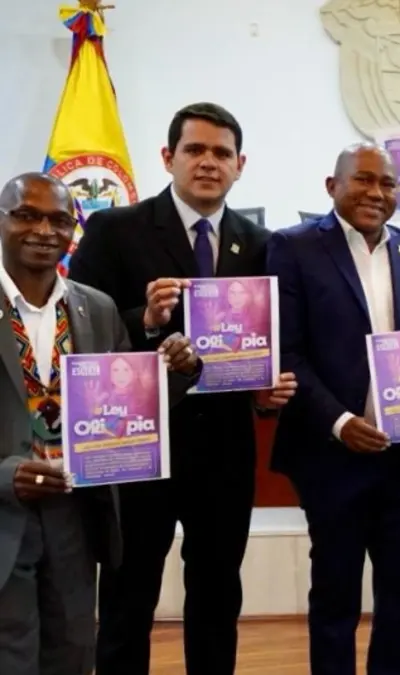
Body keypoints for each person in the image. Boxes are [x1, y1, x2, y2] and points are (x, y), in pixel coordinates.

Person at [67, 102, 297, 675]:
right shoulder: (115, 229)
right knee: (128, 596)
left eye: (222, 152)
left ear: (240, 165)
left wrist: (263, 390)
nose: (208, 162)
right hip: (137, 445)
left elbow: (264, 344)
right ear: (169, 157)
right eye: (195, 150)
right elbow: (78, 327)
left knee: (217, 594)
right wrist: (144, 320)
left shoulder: (261, 243)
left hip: (224, 449)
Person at [266, 142, 400, 675]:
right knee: (335, 598)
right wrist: (340, 423)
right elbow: (287, 351)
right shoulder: (293, 247)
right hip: (330, 457)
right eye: (363, 179)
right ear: (331, 185)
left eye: (387, 183)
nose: (376, 193)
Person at [0, 172, 200, 675]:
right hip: (4, 514)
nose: (44, 230)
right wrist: (6, 475)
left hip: (76, 514)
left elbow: (126, 411)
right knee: (10, 655)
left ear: (73, 231)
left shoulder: (96, 307)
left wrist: (175, 372)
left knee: (73, 652)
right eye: (27, 215)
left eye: (59, 220)